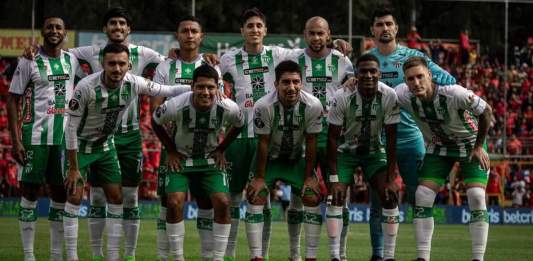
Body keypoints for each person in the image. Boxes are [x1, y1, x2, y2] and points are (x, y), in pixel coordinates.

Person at [63, 43, 190, 261]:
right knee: (74, 196)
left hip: (105, 145)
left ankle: (113, 257)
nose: (117, 68)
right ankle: (72, 257)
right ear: (103, 64)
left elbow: (167, 90)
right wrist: (74, 168)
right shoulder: (85, 87)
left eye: (122, 63)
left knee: (116, 197)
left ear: (129, 65)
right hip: (82, 145)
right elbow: (71, 128)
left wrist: (197, 87)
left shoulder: (134, 83)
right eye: (111, 63)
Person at [366, 6, 456, 260]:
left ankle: (422, 255)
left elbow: (448, 81)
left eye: (388, 24)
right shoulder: (367, 61)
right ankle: (379, 255)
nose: (384, 28)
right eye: (379, 24)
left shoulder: (412, 56)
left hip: (411, 139)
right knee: (378, 202)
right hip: (379, 142)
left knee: (421, 199)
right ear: (372, 29)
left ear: (396, 28)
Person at [396, 56, 492, 261]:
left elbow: (486, 111)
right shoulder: (402, 94)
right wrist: (351, 81)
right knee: (422, 195)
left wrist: (478, 146)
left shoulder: (454, 93)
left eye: (420, 77)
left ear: (430, 75)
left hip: (470, 145)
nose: (416, 83)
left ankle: (478, 258)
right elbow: (378, 89)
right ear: (405, 81)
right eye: (410, 79)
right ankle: (422, 257)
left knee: (476, 196)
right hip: (438, 148)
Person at [7, 16, 83, 261]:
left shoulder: (72, 60)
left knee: (60, 194)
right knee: (29, 192)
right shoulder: (28, 61)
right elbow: (12, 99)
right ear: (42, 31)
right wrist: (16, 140)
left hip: (63, 139)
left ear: (65, 33)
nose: (54, 31)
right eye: (49, 27)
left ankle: (55, 256)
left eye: (58, 27)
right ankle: (29, 256)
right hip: (34, 137)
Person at [152, 64, 244, 261]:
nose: (206, 92)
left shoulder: (228, 107)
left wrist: (221, 149)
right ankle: (178, 258)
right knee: (174, 202)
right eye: (201, 87)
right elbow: (155, 121)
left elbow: (239, 124)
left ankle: (217, 258)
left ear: (217, 87)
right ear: (192, 86)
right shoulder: (176, 105)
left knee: (223, 201)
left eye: (211, 87)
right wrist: (171, 151)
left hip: (210, 161)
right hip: (182, 161)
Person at [151, 15, 224, 261]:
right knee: (169, 203)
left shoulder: (213, 66)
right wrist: (170, 144)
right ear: (177, 35)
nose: (189, 35)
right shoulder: (164, 67)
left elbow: (220, 104)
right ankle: (165, 256)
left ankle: (207, 256)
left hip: (206, 145)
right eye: (185, 31)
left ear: (202, 36)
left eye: (194, 31)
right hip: (172, 145)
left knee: (206, 202)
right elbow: (156, 108)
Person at [290, 16, 355, 261]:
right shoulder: (293, 58)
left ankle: (340, 254)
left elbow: (355, 90)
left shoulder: (343, 61)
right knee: (300, 195)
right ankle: (297, 254)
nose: (316, 38)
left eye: (321, 33)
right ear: (305, 34)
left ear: (329, 35)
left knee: (339, 196)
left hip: (335, 137)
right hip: (302, 135)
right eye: (311, 33)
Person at [246, 60, 323, 261]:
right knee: (256, 196)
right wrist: (260, 178)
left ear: (302, 83)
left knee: (312, 197)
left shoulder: (313, 105)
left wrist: (309, 177)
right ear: (276, 85)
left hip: (296, 159)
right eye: (286, 82)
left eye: (296, 82)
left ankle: (302, 255)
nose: (291, 87)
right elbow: (262, 143)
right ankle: (257, 256)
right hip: (268, 160)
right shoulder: (263, 105)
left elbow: (312, 142)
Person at [327, 54, 400, 261]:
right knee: (336, 197)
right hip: (345, 152)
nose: (368, 75)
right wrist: (333, 180)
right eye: (363, 71)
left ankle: (388, 256)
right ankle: (335, 256)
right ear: (356, 74)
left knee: (389, 195)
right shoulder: (342, 96)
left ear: (379, 74)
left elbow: (392, 138)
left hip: (375, 152)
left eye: (372, 71)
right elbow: (332, 139)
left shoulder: (389, 95)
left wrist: (392, 177)